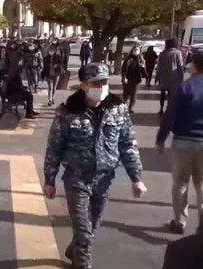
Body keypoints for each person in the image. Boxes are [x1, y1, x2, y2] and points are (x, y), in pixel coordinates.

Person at [43, 63, 147, 269]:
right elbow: (54, 147)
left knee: (92, 226)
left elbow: (127, 144)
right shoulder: (67, 112)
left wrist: (136, 178)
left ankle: (75, 248)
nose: (101, 86)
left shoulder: (118, 109)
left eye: (105, 82)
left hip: (104, 179)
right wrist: (50, 180)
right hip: (76, 178)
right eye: (95, 83)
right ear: (83, 85)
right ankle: (82, 263)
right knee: (83, 230)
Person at [156, 51, 203, 235]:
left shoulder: (185, 87)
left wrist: (161, 138)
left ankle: (180, 221)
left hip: (183, 141)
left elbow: (170, 116)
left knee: (181, 183)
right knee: (202, 183)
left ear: (195, 66)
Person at [157, 38, 184, 117]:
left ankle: (161, 109)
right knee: (171, 95)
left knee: (162, 93)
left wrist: (157, 77)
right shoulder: (177, 53)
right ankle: (168, 109)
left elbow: (159, 66)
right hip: (174, 77)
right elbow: (180, 66)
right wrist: (181, 77)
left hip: (163, 77)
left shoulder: (162, 53)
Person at [121, 46, 147, 113]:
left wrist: (142, 67)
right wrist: (124, 77)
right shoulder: (128, 59)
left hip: (137, 80)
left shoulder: (141, 59)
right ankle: (124, 107)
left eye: (138, 50)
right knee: (126, 94)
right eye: (135, 49)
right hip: (128, 78)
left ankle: (130, 108)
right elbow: (124, 69)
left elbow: (143, 70)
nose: (136, 51)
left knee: (134, 94)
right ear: (132, 50)